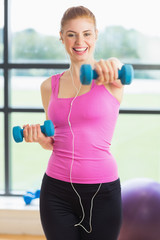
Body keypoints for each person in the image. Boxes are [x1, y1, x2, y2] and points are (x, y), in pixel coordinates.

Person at [23, 6, 124, 240]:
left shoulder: (109, 77)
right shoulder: (49, 86)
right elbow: (52, 141)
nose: (80, 41)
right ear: (62, 37)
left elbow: (118, 67)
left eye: (87, 33)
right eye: (72, 34)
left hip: (103, 191)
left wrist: (113, 64)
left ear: (96, 35)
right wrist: (39, 138)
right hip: (56, 190)